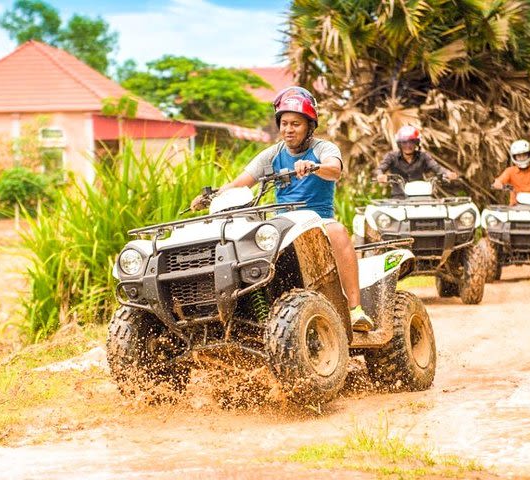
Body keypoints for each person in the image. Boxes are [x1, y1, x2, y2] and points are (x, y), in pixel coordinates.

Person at [189, 86, 374, 332]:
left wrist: (315, 166)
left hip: (318, 220)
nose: (288, 129)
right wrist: (211, 197)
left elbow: (335, 170)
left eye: (295, 124)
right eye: (284, 123)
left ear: (310, 126)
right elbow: (239, 183)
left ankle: (354, 310)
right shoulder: (272, 154)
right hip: (283, 225)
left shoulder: (323, 149)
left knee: (339, 231)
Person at [375, 125, 458, 197]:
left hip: (422, 195)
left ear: (416, 143)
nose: (408, 145)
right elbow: (380, 169)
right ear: (399, 144)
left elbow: (436, 167)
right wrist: (380, 175)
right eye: (404, 142)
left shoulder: (424, 156)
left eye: (411, 142)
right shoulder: (391, 156)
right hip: (398, 196)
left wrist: (447, 173)